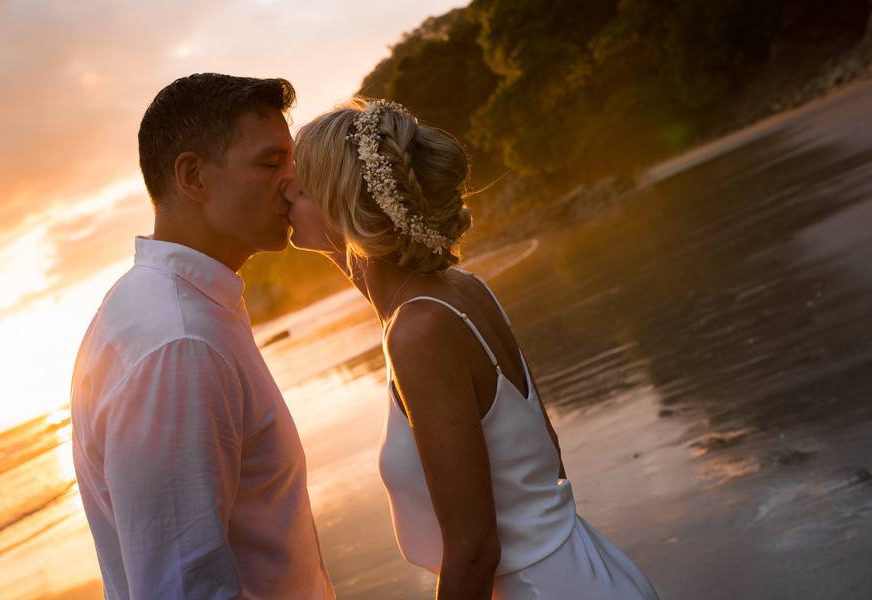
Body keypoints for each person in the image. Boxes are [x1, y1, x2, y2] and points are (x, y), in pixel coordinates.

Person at [286, 98, 660, 599]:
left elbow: (475, 550)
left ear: (341, 204)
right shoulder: (463, 289)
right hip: (589, 569)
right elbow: (548, 459)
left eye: (301, 185)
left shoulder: (418, 329)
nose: (285, 190)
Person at [70, 73, 335, 600]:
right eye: (270, 162)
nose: (294, 181)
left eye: (292, 160)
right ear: (193, 176)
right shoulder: (180, 344)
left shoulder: (181, 311)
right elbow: (183, 589)